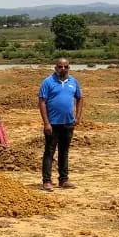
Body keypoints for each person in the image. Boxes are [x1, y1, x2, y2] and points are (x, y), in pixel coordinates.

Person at [38, 58, 83, 192]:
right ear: (55, 68)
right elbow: (42, 102)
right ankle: (46, 181)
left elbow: (79, 98)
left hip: (68, 123)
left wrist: (78, 117)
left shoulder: (73, 82)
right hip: (53, 124)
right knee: (49, 152)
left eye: (66, 67)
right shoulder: (48, 82)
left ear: (69, 68)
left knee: (64, 152)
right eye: (60, 67)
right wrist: (46, 123)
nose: (63, 69)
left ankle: (63, 179)